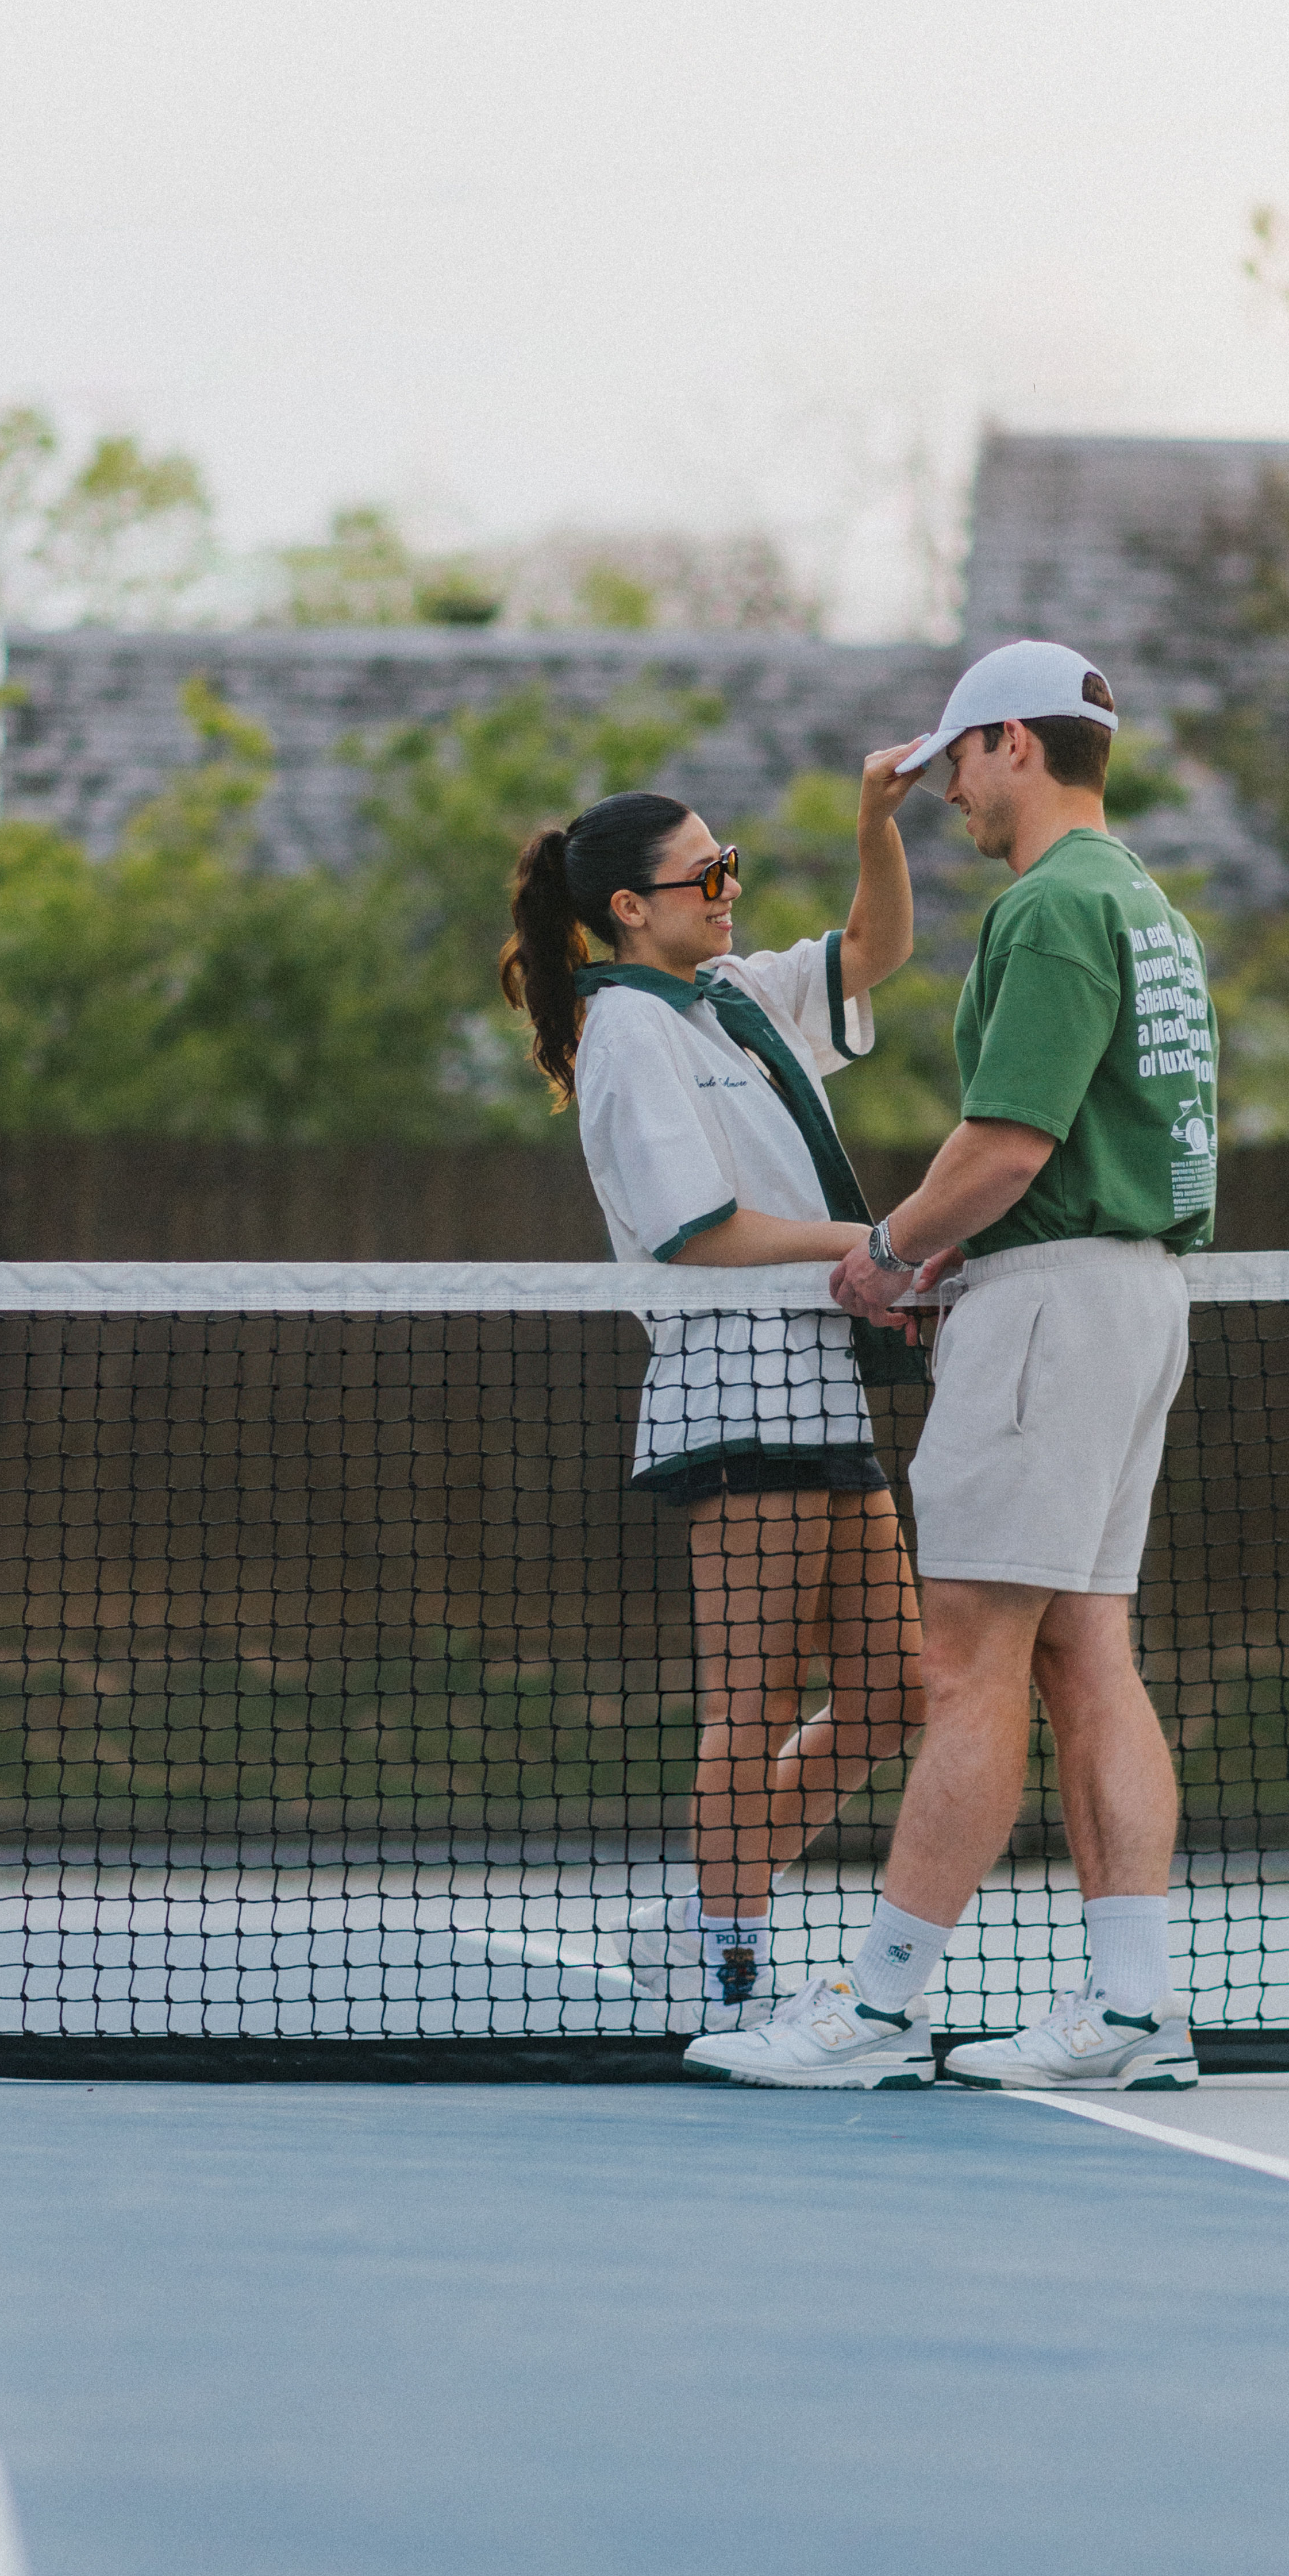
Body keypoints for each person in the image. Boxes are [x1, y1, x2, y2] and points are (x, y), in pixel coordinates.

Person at [682, 639, 1217, 2092]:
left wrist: (894, 1254)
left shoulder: (1049, 909)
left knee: (964, 1664)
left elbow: (1008, 1146)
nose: (956, 796)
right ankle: (1133, 2012)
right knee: (1087, 1657)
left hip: (1050, 1313)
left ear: (1015, 748)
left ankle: (879, 2008)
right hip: (1134, 1301)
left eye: (961, 763)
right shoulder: (1147, 907)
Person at [499, 752, 929, 2026]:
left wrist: (873, 821)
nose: (729, 888)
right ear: (632, 904)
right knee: (752, 1705)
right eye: (708, 874)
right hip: (734, 1394)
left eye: (731, 867)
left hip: (823, 1392)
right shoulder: (626, 1030)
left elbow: (875, 950)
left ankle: (699, 1912)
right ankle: (729, 1960)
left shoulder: (733, 995)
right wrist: (878, 1246)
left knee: (897, 1693)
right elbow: (698, 1230)